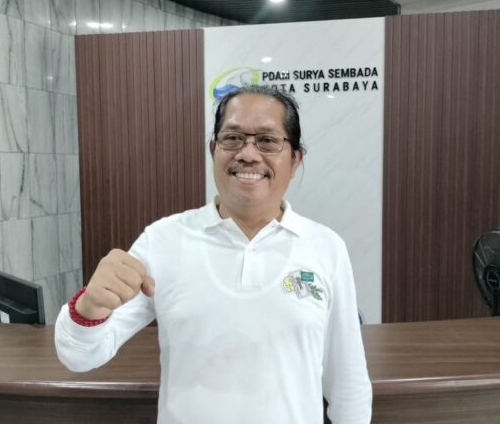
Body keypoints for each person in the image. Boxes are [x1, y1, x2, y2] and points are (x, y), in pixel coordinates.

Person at [55, 85, 372, 423]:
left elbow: (348, 383)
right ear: (213, 150)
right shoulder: (163, 240)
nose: (248, 154)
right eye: (232, 138)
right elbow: (79, 356)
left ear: (295, 160)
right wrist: (91, 306)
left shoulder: (326, 247)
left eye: (267, 141)